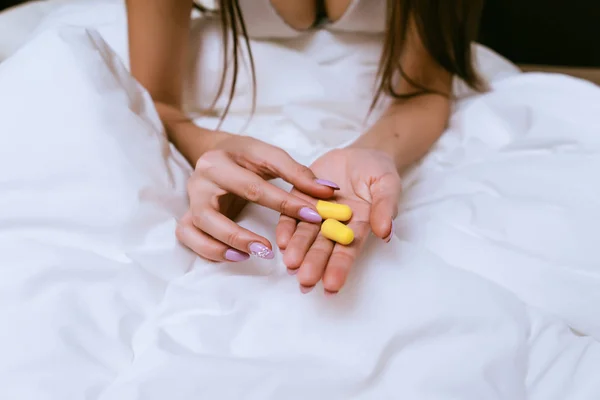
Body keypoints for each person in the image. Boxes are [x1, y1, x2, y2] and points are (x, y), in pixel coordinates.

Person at [125, 0, 484, 295]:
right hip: (223, 94)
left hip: (387, 115)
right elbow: (157, 101)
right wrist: (216, 145)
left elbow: (426, 86)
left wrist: (373, 151)